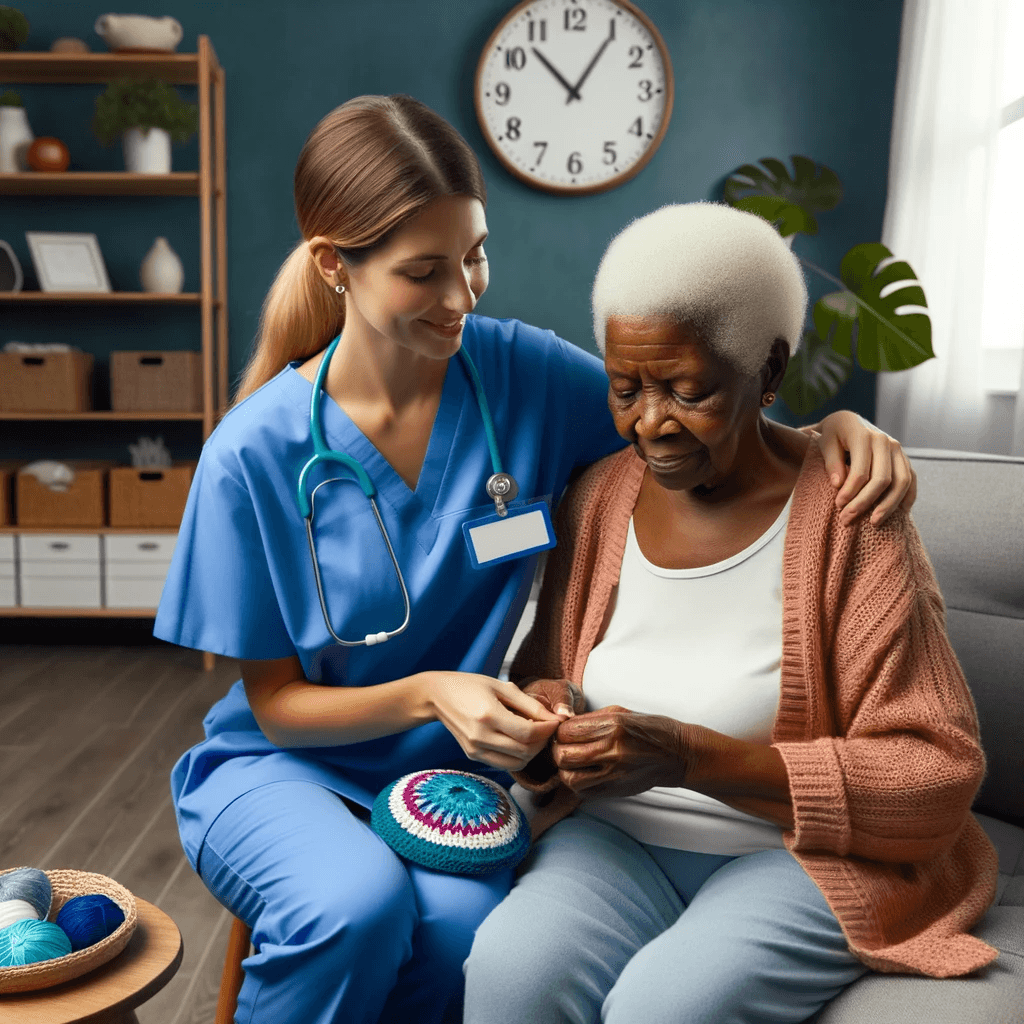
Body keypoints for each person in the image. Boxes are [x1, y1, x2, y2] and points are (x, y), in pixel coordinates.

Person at [153, 97, 919, 1024]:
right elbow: (275, 707)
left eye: (475, 255)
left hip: (457, 780)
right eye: (423, 272)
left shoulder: (522, 376)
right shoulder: (253, 454)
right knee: (352, 909)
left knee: (465, 940)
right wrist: (431, 692)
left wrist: (831, 430)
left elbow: (690, 418)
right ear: (333, 266)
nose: (463, 296)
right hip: (291, 764)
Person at [462, 201, 1000, 1024]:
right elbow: (547, 671)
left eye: (688, 390)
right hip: (612, 838)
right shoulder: (599, 498)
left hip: (795, 857)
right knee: (508, 976)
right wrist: (545, 723)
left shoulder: (854, 515)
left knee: (662, 1010)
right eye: (626, 388)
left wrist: (687, 758)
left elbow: (935, 779)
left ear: (769, 370)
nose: (650, 422)